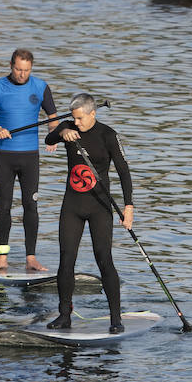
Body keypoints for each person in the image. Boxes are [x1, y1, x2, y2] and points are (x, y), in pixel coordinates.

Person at [43, 93, 133, 332]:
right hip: (72, 206)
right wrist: (62, 133)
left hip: (99, 208)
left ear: (93, 114)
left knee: (104, 260)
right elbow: (48, 138)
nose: (77, 123)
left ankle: (116, 319)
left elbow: (124, 173)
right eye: (74, 118)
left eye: (81, 118)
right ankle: (64, 316)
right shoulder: (68, 127)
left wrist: (128, 208)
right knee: (66, 261)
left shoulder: (108, 135)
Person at [0, 49, 56, 273]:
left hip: (30, 156)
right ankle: (2, 258)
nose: (22, 74)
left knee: (31, 205)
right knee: (4, 206)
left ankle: (31, 258)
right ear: (11, 65)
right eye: (18, 69)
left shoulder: (40, 87)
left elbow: (53, 118)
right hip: (4, 156)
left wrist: (53, 135)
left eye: (26, 70)